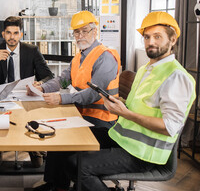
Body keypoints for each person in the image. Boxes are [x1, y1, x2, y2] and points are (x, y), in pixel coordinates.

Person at [64, 11, 196, 191]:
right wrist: (121, 103)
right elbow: (141, 108)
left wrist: (126, 113)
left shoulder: (177, 77)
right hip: (123, 139)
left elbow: (169, 127)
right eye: (147, 37)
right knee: (72, 141)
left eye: (158, 36)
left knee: (79, 166)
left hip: (143, 153)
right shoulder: (146, 69)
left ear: (172, 40)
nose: (151, 42)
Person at [30, 10, 121, 191]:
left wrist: (61, 98)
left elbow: (93, 94)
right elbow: (63, 79)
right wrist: (42, 88)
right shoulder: (79, 56)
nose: (80, 36)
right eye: (76, 32)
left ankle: (59, 186)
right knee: (56, 132)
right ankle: (55, 184)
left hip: (102, 122)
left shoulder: (106, 57)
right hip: (82, 115)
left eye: (84, 31)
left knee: (62, 138)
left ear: (95, 32)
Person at [0, 16, 54, 168]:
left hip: (26, 94)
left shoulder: (32, 50)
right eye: (8, 33)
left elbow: (49, 76)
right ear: (3, 34)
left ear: (20, 34)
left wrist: (40, 83)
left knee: (28, 115)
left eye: (15, 33)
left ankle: (33, 148)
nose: (12, 37)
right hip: (4, 95)